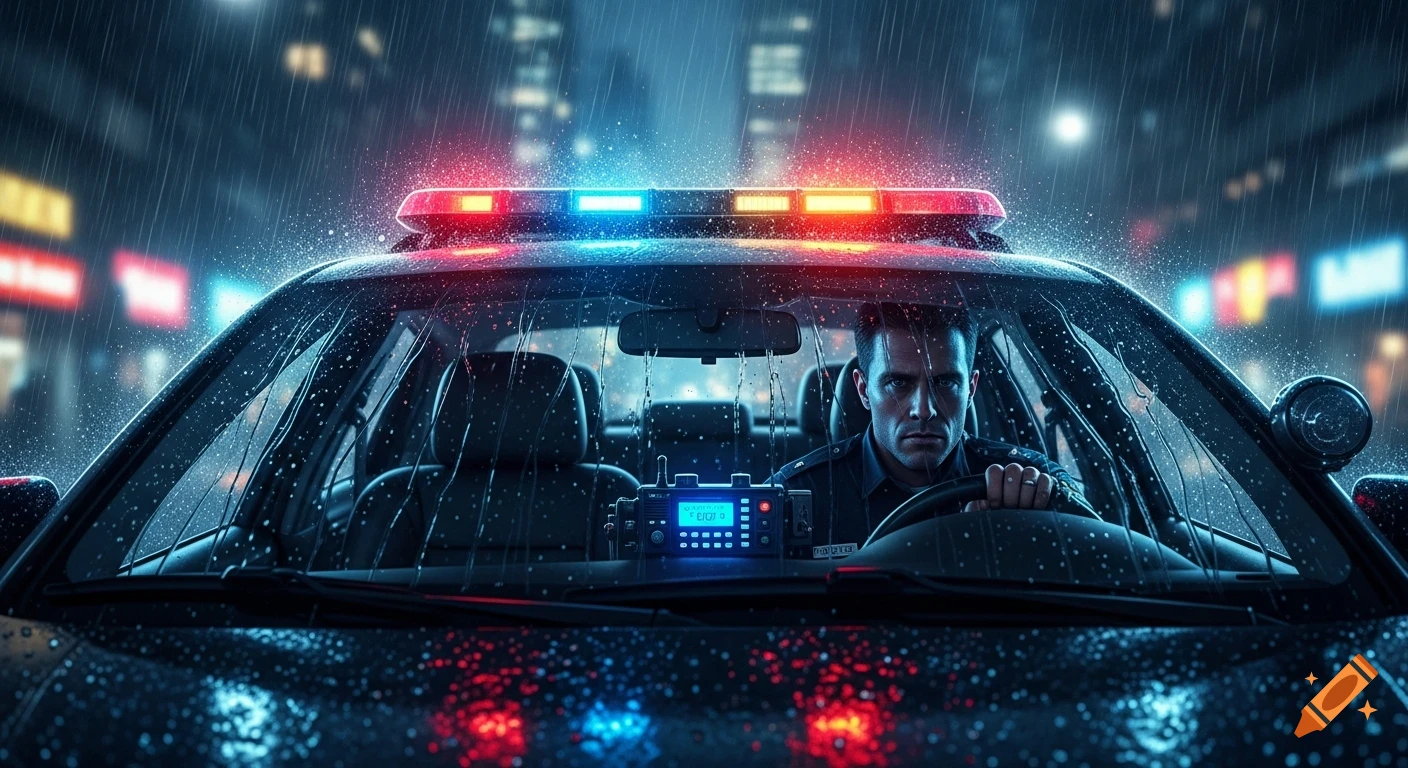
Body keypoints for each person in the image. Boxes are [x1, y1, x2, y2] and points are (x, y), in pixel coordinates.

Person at [770, 301, 1089, 558]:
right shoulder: (799, 494)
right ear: (864, 390)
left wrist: (1021, 530)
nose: (924, 409)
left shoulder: (1031, 488)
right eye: (898, 383)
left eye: (946, 382)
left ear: (971, 389)